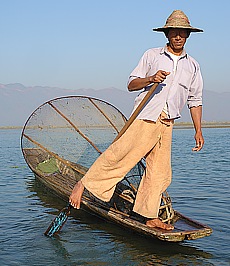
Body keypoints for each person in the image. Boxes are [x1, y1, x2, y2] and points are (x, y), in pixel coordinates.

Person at [69, 10, 204, 230]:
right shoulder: (152, 55)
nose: (178, 36)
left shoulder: (193, 66)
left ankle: (148, 215)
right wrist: (150, 79)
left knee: (160, 172)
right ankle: (83, 184)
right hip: (147, 117)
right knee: (121, 155)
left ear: (188, 35)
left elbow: (195, 100)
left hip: (168, 121)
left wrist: (198, 131)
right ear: (167, 34)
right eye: (174, 32)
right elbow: (131, 84)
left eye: (183, 32)